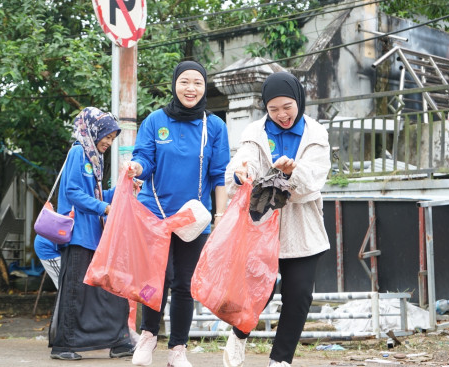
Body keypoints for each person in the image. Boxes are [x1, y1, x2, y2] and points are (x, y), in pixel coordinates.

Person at [125, 60, 230, 367]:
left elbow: (220, 174)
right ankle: (147, 337)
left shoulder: (215, 127)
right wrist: (136, 168)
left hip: (194, 220)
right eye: (185, 82)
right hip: (155, 215)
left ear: (204, 87)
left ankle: (177, 350)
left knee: (185, 284)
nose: (191, 88)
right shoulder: (155, 120)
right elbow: (144, 157)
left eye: (197, 83)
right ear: (174, 84)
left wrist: (220, 216)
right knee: (158, 277)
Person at [223, 72, 331, 367]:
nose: (282, 114)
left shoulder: (316, 134)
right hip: (262, 223)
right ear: (265, 108)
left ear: (299, 101)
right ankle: (239, 335)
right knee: (259, 292)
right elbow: (241, 163)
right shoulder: (256, 133)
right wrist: (239, 173)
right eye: (273, 109)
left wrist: (291, 172)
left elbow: (314, 178)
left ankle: (280, 361)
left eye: (287, 106)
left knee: (298, 296)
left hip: (302, 226)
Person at [48, 107, 134, 360]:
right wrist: (103, 206)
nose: (108, 141)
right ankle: (64, 345)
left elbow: (96, 195)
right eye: (106, 135)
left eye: (112, 137)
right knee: (76, 292)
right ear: (93, 130)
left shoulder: (95, 158)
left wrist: (123, 188)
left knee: (109, 290)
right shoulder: (78, 151)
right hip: (77, 236)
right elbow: (73, 192)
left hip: (94, 236)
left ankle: (119, 342)